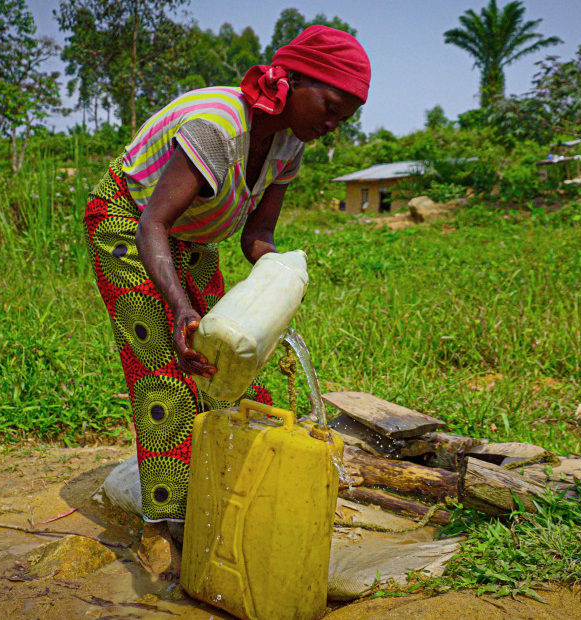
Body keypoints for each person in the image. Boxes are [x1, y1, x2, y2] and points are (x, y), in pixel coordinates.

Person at [83, 25, 370, 579]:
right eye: (331, 105)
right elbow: (152, 225)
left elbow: (255, 238)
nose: (333, 123)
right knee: (167, 372)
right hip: (129, 225)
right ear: (292, 79)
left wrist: (278, 281)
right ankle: (166, 531)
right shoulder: (218, 126)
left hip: (192, 240)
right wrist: (181, 308)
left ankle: (233, 495)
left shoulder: (289, 145)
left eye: (345, 117)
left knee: (225, 366)